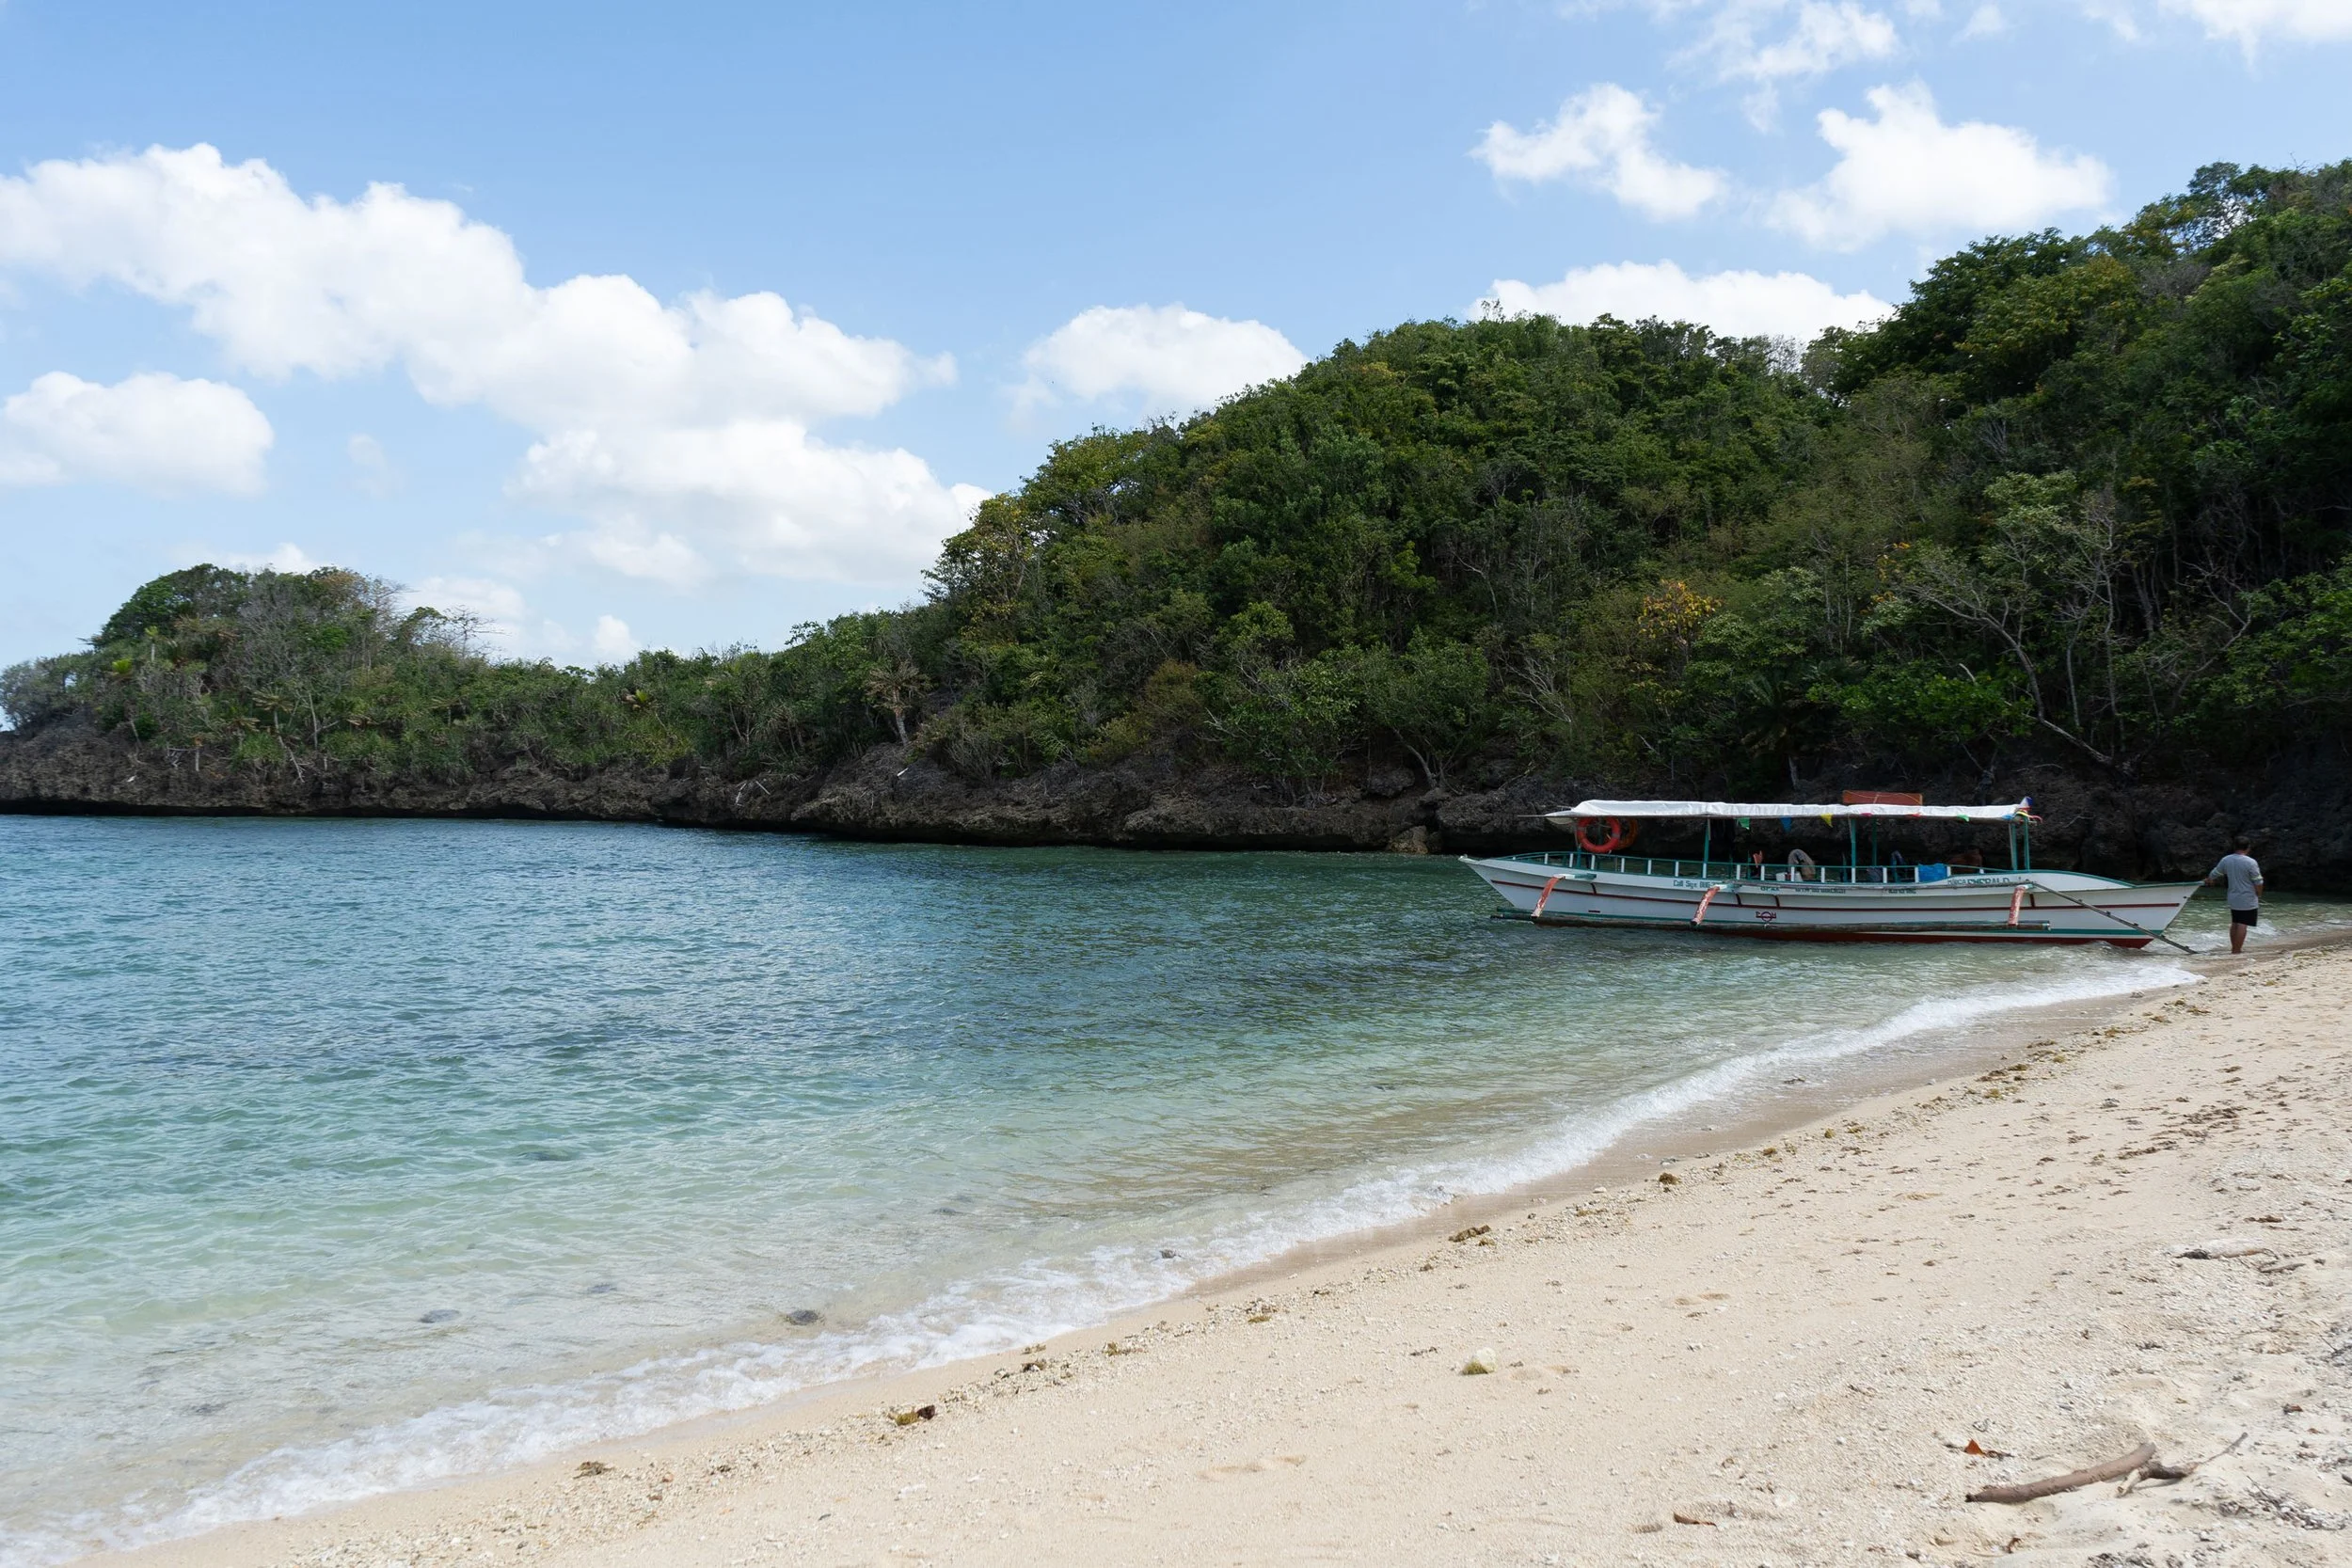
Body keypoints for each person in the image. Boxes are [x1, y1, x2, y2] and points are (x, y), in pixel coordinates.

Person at [2205, 840, 2265, 954]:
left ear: (2234, 846)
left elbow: (2215, 873)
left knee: (2235, 922)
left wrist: (2210, 879)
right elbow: (2258, 881)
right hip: (2247, 897)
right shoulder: (2251, 862)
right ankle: (2237, 950)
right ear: (2248, 848)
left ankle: (2234, 948)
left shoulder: (2226, 859)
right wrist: (2259, 893)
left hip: (2233, 896)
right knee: (2243, 924)